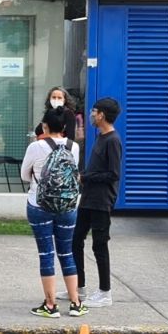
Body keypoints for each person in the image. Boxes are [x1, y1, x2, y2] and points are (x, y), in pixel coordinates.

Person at [20, 106, 87, 319]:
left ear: (45, 126)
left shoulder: (36, 147)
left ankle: (50, 305)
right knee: (67, 252)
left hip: (39, 206)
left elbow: (24, 176)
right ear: (65, 127)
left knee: (46, 254)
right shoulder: (73, 147)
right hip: (68, 207)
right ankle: (76, 303)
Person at [63, 97, 122, 308]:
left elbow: (113, 174)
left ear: (102, 115)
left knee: (99, 246)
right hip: (88, 199)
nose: (91, 115)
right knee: (75, 240)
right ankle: (79, 287)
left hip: (101, 201)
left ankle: (105, 292)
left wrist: (86, 177)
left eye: (94, 111)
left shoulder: (113, 140)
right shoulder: (100, 137)